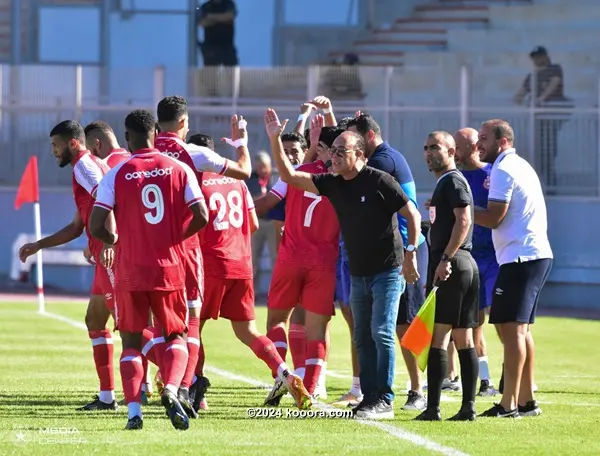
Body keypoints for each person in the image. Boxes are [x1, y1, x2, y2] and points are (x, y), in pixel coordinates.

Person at [264, 108, 421, 420]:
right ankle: (369, 395)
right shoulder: (334, 183)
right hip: (358, 271)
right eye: (332, 150)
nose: (332, 156)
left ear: (359, 154)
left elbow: (412, 214)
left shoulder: (379, 179)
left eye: (340, 151)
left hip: (388, 268)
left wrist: (411, 252)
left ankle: (384, 399)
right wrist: (273, 140)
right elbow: (289, 176)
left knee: (382, 332)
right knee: (362, 334)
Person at [89, 109, 209, 431]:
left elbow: (95, 224)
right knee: (176, 335)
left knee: (130, 342)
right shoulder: (179, 168)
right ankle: (171, 388)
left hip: (130, 269)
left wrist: (116, 240)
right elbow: (201, 214)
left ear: (127, 138)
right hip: (168, 267)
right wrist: (174, 236)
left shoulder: (116, 173)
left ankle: (133, 414)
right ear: (155, 132)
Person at [154, 95, 250, 417]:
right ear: (184, 123)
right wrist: (240, 143)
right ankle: (185, 385)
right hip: (188, 248)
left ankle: (148, 393)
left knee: (156, 323)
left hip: (152, 250)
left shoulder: (144, 152)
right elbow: (245, 171)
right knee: (192, 322)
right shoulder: (194, 152)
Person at [193, 151, 312, 413]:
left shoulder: (196, 181)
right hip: (241, 264)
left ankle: (197, 393)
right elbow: (254, 223)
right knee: (248, 331)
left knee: (193, 329)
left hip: (212, 265)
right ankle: (285, 373)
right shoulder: (237, 182)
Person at [18, 120, 118, 412]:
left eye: (56, 145)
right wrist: (39, 245)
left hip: (111, 253)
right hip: (102, 254)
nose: (53, 152)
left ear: (73, 143)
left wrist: (111, 242)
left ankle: (179, 383)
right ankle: (107, 397)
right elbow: (77, 226)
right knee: (95, 322)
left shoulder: (84, 167)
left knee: (131, 328)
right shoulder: (91, 166)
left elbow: (108, 199)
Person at [347, 113, 429, 411]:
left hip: (405, 250)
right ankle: (412, 386)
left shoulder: (382, 162)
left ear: (368, 137)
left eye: (355, 139)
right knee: (391, 325)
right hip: (393, 250)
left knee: (404, 324)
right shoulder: (382, 155)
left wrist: (409, 254)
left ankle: (418, 388)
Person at [475, 119, 553, 418]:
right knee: (520, 330)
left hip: (522, 257)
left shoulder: (504, 168)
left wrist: (460, 208)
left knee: (512, 330)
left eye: (484, 138)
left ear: (502, 142)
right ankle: (526, 400)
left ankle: (508, 404)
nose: (480, 144)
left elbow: (494, 218)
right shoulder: (518, 164)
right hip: (529, 255)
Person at [262, 126, 342, 405]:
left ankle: (282, 374)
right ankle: (308, 389)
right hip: (324, 261)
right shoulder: (345, 179)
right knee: (317, 329)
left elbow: (285, 175)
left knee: (276, 320)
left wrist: (273, 138)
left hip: (292, 256)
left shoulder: (301, 170)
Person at [415, 131, 480, 422]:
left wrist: (445, 258)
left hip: (454, 265)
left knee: (438, 338)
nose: (429, 152)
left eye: (436, 147)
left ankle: (433, 409)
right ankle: (468, 408)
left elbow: (464, 219)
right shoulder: (446, 183)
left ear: (452, 151)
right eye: (426, 148)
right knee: (463, 338)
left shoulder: (453, 180)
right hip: (464, 264)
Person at [454, 128, 499, 397]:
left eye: (458, 147)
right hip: (469, 256)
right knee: (473, 321)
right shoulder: (454, 177)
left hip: (495, 256)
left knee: (506, 320)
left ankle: (517, 375)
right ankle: (485, 380)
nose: (454, 153)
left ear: (473, 147)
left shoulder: (492, 174)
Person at [513, 46, 571, 190]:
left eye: (539, 56)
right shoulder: (532, 76)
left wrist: (540, 99)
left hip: (551, 116)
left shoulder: (555, 69)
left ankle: (551, 183)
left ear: (545, 56)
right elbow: (519, 94)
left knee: (549, 148)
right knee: (539, 149)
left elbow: (554, 83)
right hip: (537, 118)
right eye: (534, 57)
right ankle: (541, 182)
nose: (536, 60)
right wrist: (521, 99)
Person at [246, 151, 279, 291]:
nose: (262, 170)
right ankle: (252, 293)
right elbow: (246, 199)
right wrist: (261, 199)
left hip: (273, 222)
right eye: (259, 167)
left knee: (275, 258)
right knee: (252, 260)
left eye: (264, 166)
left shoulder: (278, 176)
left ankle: (276, 292)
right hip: (256, 222)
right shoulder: (249, 179)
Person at [196, 0, 238, 66]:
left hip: (227, 47)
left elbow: (230, 16)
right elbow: (202, 23)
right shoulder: (205, 6)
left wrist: (211, 17)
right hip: (210, 48)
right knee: (210, 74)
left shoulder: (229, 4)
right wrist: (222, 19)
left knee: (232, 73)